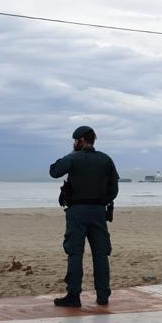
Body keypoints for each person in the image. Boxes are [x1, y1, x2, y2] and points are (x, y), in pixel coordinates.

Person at [49, 125, 120, 307]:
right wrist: (101, 202)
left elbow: (54, 171)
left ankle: (74, 296)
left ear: (80, 140)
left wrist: (72, 154)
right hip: (98, 212)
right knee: (101, 254)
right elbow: (114, 189)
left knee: (75, 254)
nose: (73, 143)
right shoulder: (106, 160)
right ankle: (103, 296)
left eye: (75, 140)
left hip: (77, 212)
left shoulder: (73, 158)